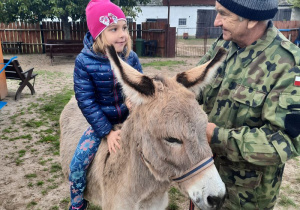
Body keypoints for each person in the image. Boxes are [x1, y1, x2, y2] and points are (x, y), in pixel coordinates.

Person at [197, 0, 300, 209]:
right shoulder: (224, 45)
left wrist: (216, 137)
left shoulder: (290, 65)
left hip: (245, 196)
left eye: (224, 14)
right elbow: (194, 84)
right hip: (206, 176)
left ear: (252, 19)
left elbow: (286, 141)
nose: (216, 21)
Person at [69, 0, 143, 209]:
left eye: (124, 28)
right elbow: (86, 100)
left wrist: (135, 102)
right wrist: (107, 131)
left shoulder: (131, 58)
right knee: (76, 167)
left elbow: (140, 86)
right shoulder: (84, 62)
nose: (122, 34)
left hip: (129, 118)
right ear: (98, 34)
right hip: (101, 123)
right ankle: (77, 204)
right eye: (114, 29)